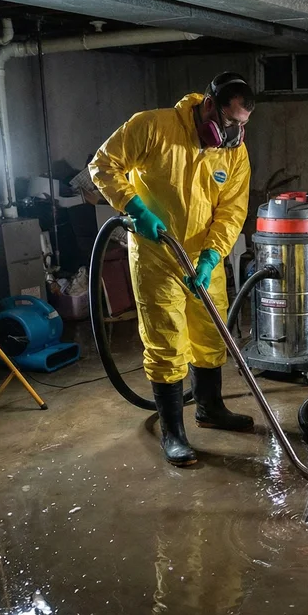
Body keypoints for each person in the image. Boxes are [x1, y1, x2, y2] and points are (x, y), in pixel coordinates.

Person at [90, 72, 256, 467]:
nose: (234, 134)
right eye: (231, 123)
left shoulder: (233, 153)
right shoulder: (152, 126)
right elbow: (103, 165)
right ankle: (173, 433)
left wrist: (213, 255)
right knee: (166, 341)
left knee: (210, 335)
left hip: (202, 260)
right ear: (210, 105)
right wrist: (135, 209)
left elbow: (232, 210)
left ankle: (210, 408)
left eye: (243, 126)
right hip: (157, 255)